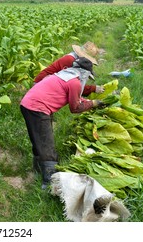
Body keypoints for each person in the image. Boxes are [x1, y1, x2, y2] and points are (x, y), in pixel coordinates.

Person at [20, 57, 105, 189]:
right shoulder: (75, 82)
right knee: (46, 144)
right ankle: (50, 183)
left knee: (38, 139)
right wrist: (93, 103)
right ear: (84, 73)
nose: (86, 80)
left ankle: (37, 171)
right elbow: (75, 107)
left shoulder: (64, 75)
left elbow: (76, 98)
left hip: (27, 104)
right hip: (37, 108)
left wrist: (88, 102)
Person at [34, 41, 104, 96]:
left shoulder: (75, 59)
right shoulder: (70, 60)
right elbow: (72, 86)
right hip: (41, 84)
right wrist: (93, 89)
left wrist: (93, 89)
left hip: (48, 83)